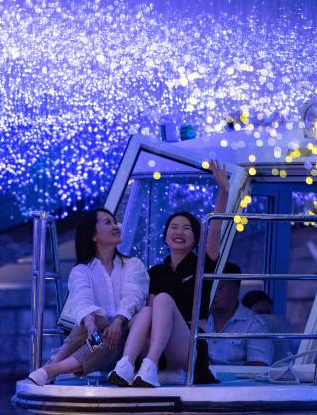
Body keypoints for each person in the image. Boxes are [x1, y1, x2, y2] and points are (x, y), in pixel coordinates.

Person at [107, 160, 229, 387]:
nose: (179, 232)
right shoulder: (155, 272)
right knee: (146, 310)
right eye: (174, 227)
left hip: (187, 346)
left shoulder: (202, 264)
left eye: (186, 228)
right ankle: (126, 365)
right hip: (156, 343)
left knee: (162, 299)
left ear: (196, 239)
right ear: (165, 237)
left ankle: (149, 366)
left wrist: (223, 190)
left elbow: (215, 228)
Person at [27, 209, 148, 385]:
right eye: (108, 222)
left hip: (128, 342)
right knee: (93, 324)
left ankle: (51, 369)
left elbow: (133, 297)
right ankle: (52, 367)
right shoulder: (81, 271)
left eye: (115, 222)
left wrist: (117, 322)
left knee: (105, 332)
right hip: (101, 339)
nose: (116, 226)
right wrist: (91, 327)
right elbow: (83, 299)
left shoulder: (133, 265)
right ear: (93, 235)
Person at [207, 270, 274, 366]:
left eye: (218, 288)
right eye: (209, 287)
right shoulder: (198, 319)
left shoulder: (255, 325)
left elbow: (259, 366)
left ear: (235, 291)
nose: (212, 293)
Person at [242, 290, 297, 360]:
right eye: (260, 313)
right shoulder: (236, 334)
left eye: (268, 313)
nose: (266, 318)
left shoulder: (278, 335)